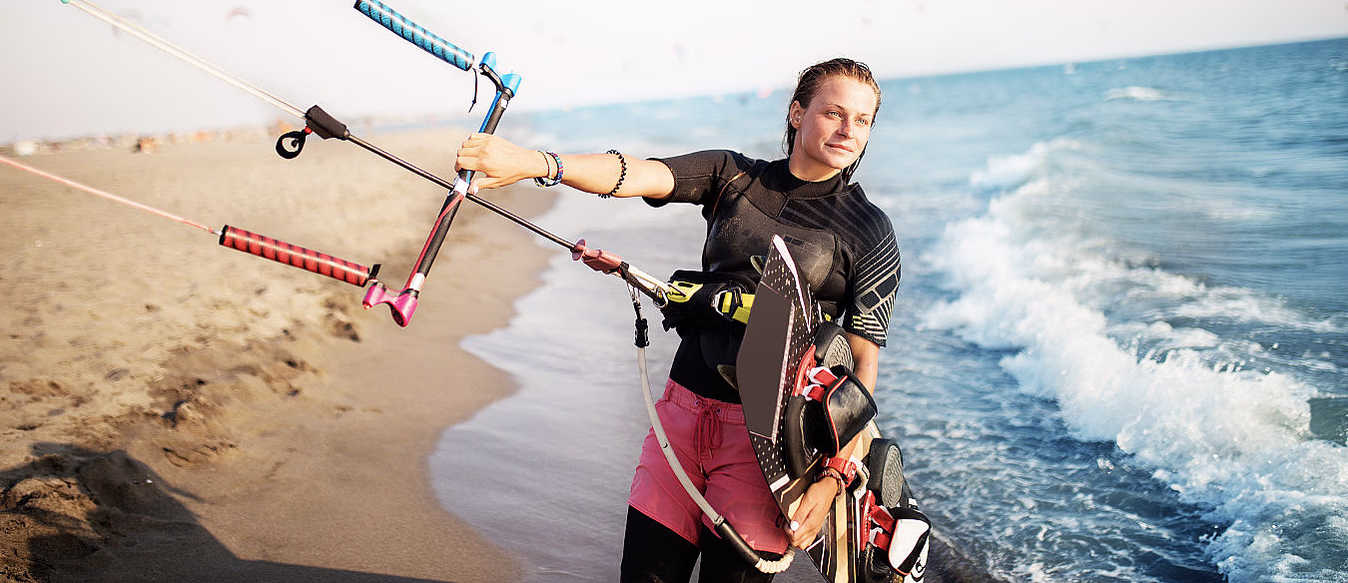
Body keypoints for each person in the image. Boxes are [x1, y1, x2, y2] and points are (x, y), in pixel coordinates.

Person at [455, 58, 899, 583]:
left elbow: (861, 370)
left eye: (863, 120)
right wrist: (538, 163)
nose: (849, 131)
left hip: (771, 451)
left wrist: (832, 480)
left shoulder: (869, 230)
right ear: (798, 112)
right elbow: (637, 173)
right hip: (681, 420)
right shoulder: (735, 177)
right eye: (834, 112)